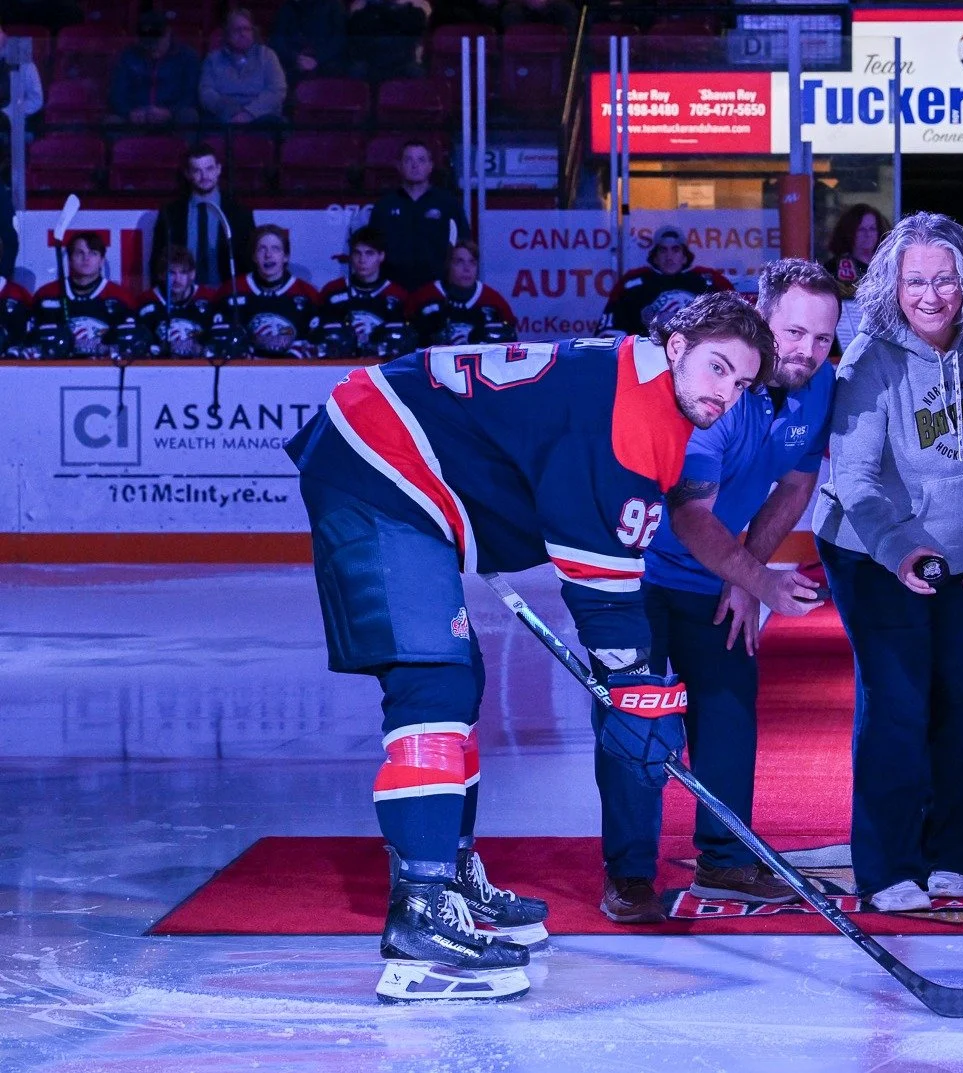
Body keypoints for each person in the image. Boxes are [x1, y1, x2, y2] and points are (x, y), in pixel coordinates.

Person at [285, 291, 767, 1001]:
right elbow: (599, 581)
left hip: (406, 465)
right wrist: (632, 680)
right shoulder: (633, 417)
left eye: (742, 383)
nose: (725, 393)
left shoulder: (640, 387)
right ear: (675, 347)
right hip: (376, 462)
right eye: (718, 368)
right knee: (433, 680)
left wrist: (630, 681)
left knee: (459, 677)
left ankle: (447, 876)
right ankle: (420, 911)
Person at [809, 212, 963, 912]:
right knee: (897, 702)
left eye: (945, 278)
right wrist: (899, 547)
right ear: (892, 282)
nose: (932, 294)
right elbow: (854, 478)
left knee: (960, 701)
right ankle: (887, 867)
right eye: (916, 280)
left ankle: (953, 854)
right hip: (871, 551)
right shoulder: (869, 356)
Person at [600, 260, 840, 923]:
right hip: (635, 573)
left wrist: (746, 577)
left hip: (715, 573)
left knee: (730, 709)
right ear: (759, 320)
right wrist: (758, 579)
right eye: (793, 332)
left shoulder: (817, 388)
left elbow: (794, 486)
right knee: (637, 721)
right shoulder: (722, 393)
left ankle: (726, 857)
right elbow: (688, 514)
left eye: (822, 338)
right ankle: (628, 875)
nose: (806, 352)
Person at [371, 141, 474, 292]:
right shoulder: (384, 206)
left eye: (421, 160)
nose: (415, 165)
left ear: (430, 166)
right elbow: (372, 250)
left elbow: (465, 246)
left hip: (439, 289)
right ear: (399, 166)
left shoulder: (448, 204)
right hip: (393, 289)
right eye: (408, 160)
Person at [151, 144, 255, 290]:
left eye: (209, 169)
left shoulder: (239, 213)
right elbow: (158, 261)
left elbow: (249, 261)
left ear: (218, 169)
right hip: (183, 298)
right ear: (187, 174)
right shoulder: (170, 213)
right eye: (197, 171)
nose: (204, 176)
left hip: (227, 297)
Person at [599, 226, 734, 336]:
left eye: (675, 250)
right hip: (646, 357)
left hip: (698, 355)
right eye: (663, 250)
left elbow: (734, 321)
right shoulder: (633, 286)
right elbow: (610, 334)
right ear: (655, 256)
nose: (669, 257)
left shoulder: (708, 282)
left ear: (685, 256)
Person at [220, 223, 322, 358]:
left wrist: (290, 361)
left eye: (275, 249)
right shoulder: (232, 290)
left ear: (286, 256)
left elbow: (314, 341)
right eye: (262, 249)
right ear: (254, 256)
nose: (268, 255)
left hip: (294, 372)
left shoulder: (307, 294)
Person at [32, 233, 136, 358]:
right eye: (80, 253)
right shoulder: (46, 294)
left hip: (105, 370)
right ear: (69, 259)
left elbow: (129, 344)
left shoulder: (121, 297)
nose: (86, 258)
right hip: (57, 369)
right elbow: (31, 341)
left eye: (93, 253)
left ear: (102, 260)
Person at [317, 226, 413, 357]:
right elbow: (320, 338)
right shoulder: (332, 291)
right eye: (357, 253)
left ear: (381, 256)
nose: (362, 260)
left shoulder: (398, 295)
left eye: (369, 253)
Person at [406, 240, 516, 346]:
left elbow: (510, 339)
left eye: (472, 262)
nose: (467, 269)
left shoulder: (494, 301)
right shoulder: (423, 298)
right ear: (448, 265)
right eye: (459, 262)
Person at [198, 9, 287, 127]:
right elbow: (206, 91)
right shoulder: (213, 59)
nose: (243, 34)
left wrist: (249, 113)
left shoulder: (267, 56)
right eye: (237, 30)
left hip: (261, 116)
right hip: (224, 116)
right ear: (228, 34)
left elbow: (277, 90)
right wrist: (229, 110)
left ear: (253, 32)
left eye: (246, 29)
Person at [110, 11, 201, 126]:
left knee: (189, 115)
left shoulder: (187, 56)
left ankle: (187, 144)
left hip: (172, 117)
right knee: (112, 122)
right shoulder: (127, 57)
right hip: (137, 117)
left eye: (156, 42)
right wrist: (129, 113)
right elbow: (117, 94)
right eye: (147, 43)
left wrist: (170, 112)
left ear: (167, 33)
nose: (152, 49)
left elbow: (190, 95)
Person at [135, 246, 218, 358]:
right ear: (161, 275)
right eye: (172, 273)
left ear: (192, 274)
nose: (177, 279)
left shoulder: (210, 299)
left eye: (183, 272)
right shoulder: (146, 301)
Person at [826, 205, 887, 351]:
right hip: (843, 347)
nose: (868, 234)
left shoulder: (889, 266)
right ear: (849, 232)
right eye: (861, 229)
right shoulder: (835, 267)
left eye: (872, 229)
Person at [270, 0, 347, 81]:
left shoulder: (334, 5)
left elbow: (339, 40)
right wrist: (295, 58)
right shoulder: (287, 7)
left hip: (325, 61)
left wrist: (317, 59)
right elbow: (277, 40)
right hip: (294, 60)